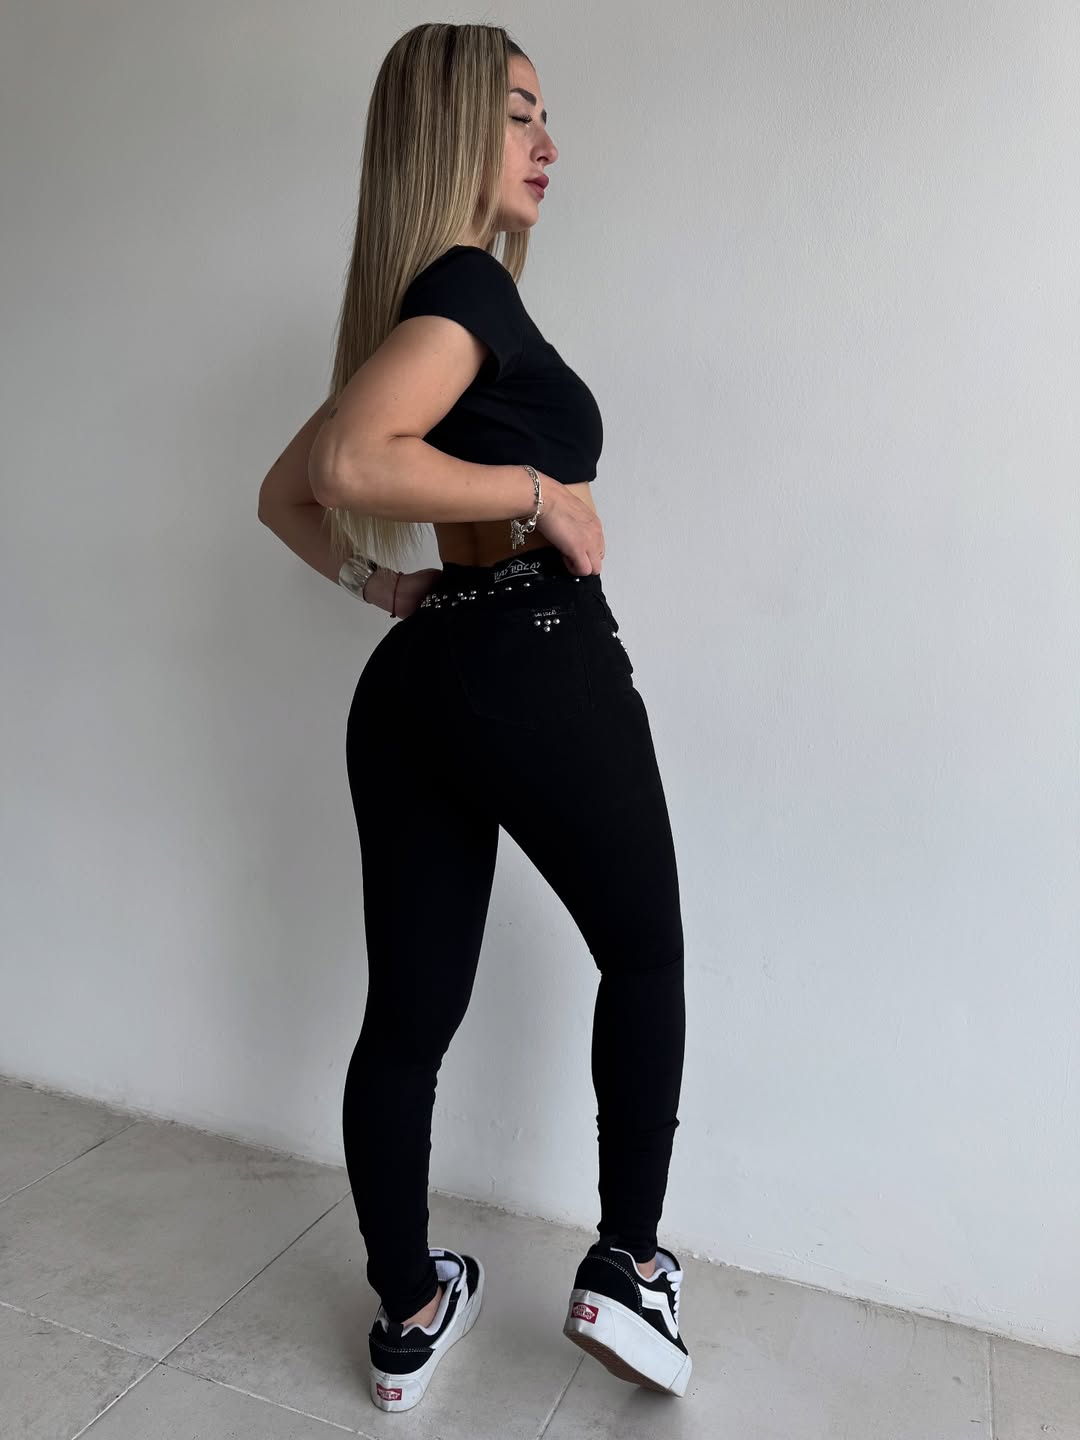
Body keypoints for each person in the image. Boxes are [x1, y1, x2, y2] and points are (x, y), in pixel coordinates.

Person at [257, 22, 691, 1413]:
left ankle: (409, 1308)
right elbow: (344, 463)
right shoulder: (467, 291)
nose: (547, 144)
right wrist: (537, 494)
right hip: (536, 658)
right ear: (449, 129)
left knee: (407, 1018)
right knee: (646, 953)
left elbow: (285, 493)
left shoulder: (419, 313)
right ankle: (629, 1269)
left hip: (419, 682)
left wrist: (388, 586)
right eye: (517, 114)